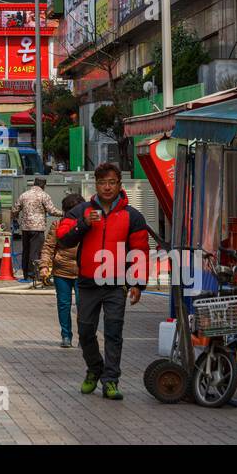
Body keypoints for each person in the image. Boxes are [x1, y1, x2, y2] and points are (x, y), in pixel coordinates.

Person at [54, 162, 149, 401]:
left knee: (114, 333)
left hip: (116, 285)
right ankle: (94, 368)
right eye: (102, 182)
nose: (107, 187)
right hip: (87, 282)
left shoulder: (133, 216)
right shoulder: (81, 211)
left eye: (111, 182)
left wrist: (137, 283)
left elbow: (140, 250)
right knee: (85, 331)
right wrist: (84, 224)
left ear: (119, 184)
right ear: (95, 185)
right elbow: (63, 239)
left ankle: (111, 381)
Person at [40, 192, 85, 348]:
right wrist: (44, 265)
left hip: (83, 272)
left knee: (83, 306)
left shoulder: (87, 226)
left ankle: (84, 337)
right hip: (61, 272)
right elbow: (48, 247)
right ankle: (66, 336)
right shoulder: (57, 226)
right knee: (64, 305)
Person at [13, 177, 58, 287]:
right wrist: (64, 213)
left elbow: (15, 209)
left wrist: (15, 218)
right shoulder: (44, 195)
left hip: (25, 228)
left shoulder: (24, 195)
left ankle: (25, 275)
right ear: (43, 186)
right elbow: (52, 210)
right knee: (36, 251)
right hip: (38, 228)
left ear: (34, 184)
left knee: (26, 251)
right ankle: (32, 275)